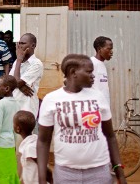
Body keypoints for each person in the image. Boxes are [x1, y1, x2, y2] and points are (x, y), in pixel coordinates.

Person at [37, 54, 126, 184]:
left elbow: (110, 136)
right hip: (65, 174)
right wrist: (41, 177)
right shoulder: (51, 99)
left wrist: (120, 174)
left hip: (99, 172)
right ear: (73, 72)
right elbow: (43, 141)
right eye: (89, 72)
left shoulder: (98, 97)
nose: (93, 75)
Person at [10, 33, 44, 118]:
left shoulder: (37, 64)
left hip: (27, 106)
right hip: (14, 104)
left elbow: (17, 83)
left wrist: (19, 60)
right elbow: (9, 81)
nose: (20, 46)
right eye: (19, 43)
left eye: (23, 43)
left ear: (33, 45)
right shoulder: (17, 62)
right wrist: (20, 86)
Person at [14, 110, 52, 184]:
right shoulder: (30, 143)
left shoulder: (30, 147)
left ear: (18, 129)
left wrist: (51, 180)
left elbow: (44, 168)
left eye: (14, 124)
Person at [90, 36, 113, 106]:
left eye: (112, 49)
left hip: (103, 106)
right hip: (95, 107)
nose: (111, 52)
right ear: (99, 49)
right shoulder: (91, 63)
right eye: (109, 49)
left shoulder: (102, 64)